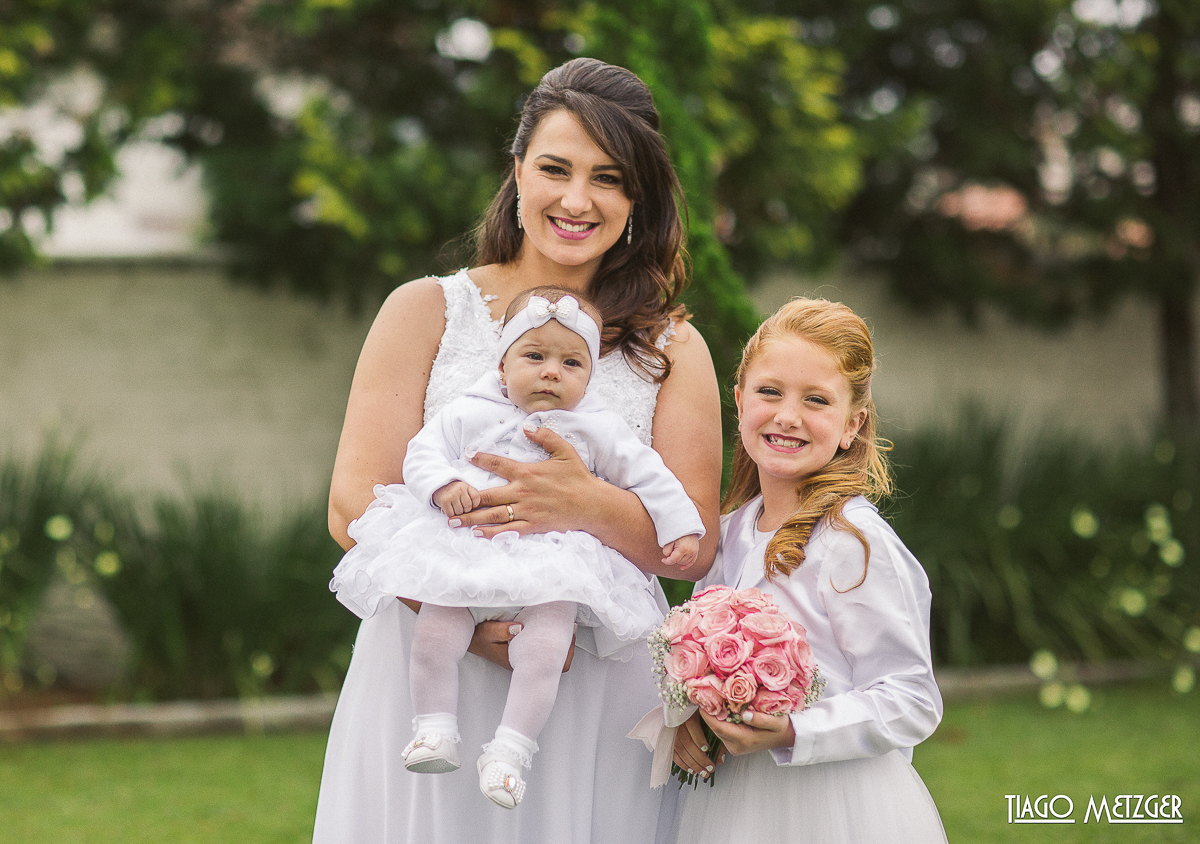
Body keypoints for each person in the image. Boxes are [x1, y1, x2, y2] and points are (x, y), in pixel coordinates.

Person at [312, 57, 722, 844]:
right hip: (429, 658)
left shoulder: (672, 347)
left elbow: (692, 545)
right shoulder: (427, 310)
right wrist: (466, 610)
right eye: (555, 169)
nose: (577, 200)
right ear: (517, 171)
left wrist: (584, 505)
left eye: (607, 178)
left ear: (638, 198)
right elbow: (352, 501)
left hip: (585, 673)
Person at [328, 285, 705, 809]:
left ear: (589, 377)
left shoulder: (598, 428)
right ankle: (434, 727)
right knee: (437, 633)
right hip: (466, 549)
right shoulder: (469, 412)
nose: (552, 371)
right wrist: (442, 487)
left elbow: (654, 478)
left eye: (572, 362)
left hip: (554, 563)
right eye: (535, 356)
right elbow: (421, 454)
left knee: (546, 648)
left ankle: (511, 750)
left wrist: (680, 528)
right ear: (503, 368)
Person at [662, 298, 947, 843]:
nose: (787, 416)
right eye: (770, 392)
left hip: (832, 807)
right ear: (740, 400)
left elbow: (912, 698)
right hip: (733, 804)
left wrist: (795, 730)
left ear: (851, 424)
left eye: (816, 400)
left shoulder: (853, 543)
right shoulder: (731, 531)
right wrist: (685, 717)